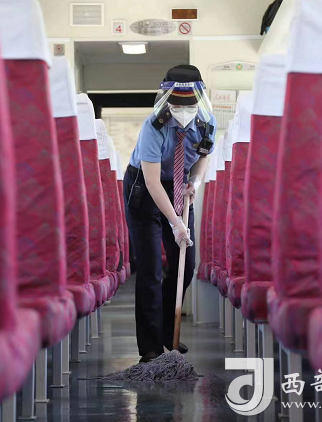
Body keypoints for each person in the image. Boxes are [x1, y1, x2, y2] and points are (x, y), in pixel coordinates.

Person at [124, 65, 217, 363]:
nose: (183, 112)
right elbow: (153, 183)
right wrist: (176, 223)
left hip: (179, 186)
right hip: (144, 187)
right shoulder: (154, 126)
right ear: (167, 102)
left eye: (189, 106)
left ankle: (167, 330)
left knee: (184, 266)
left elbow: (203, 156)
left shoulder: (207, 122)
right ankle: (150, 348)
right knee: (150, 268)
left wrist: (196, 182)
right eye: (177, 106)